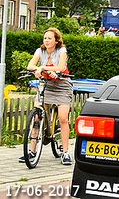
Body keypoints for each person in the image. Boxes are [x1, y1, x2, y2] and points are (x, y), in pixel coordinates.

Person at [20, 27, 73, 165]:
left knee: (63, 118)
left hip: (62, 85)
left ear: (56, 40)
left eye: (50, 38)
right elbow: (30, 65)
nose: (47, 41)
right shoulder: (40, 51)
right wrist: (38, 68)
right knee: (37, 116)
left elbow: (61, 68)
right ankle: (31, 151)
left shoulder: (62, 51)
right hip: (46, 85)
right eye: (45, 38)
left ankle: (66, 153)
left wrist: (42, 68)